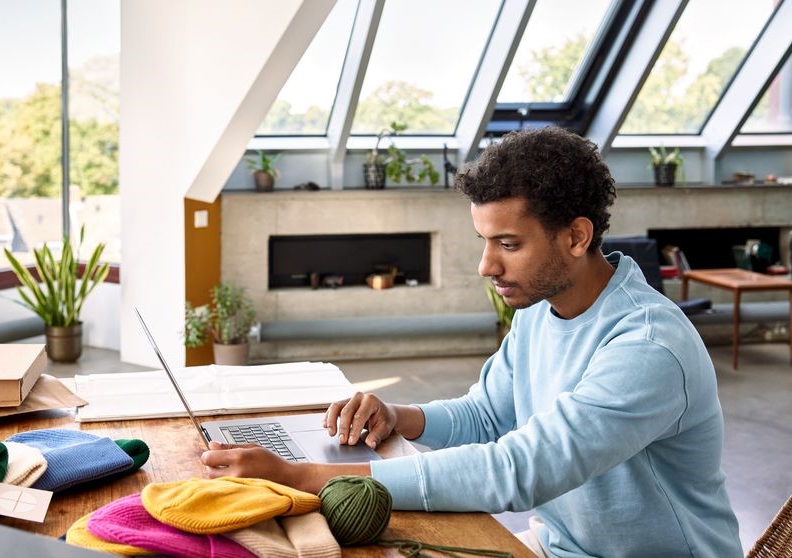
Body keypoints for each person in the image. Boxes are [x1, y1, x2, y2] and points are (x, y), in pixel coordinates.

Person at [201, 126, 742, 557]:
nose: (487, 265)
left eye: (509, 243)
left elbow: (516, 470)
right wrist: (399, 416)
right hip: (557, 547)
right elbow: (487, 416)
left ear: (576, 236)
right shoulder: (541, 309)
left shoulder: (647, 347)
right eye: (485, 241)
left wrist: (304, 476)